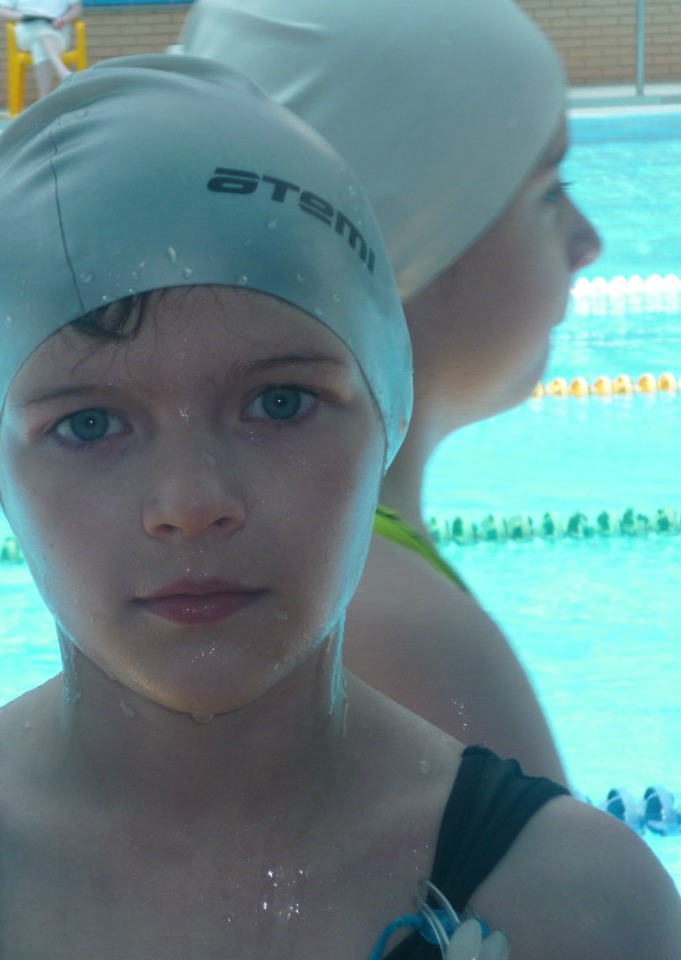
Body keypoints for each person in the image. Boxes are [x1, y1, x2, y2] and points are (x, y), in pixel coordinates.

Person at [0, 56, 681, 960]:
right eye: (89, 424)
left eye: (279, 404)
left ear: (385, 416)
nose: (191, 504)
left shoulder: (578, 908)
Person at [179, 0, 605, 785]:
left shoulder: (300, 568)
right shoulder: (401, 634)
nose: (589, 241)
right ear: (402, 244)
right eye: (551, 191)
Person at [0, 0, 81, 100]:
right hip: (27, 32)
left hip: (56, 32)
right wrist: (24, 17)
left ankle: (44, 99)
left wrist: (63, 20)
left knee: (40, 45)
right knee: (41, 29)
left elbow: (77, 9)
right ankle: (63, 72)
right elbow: (1, 12)